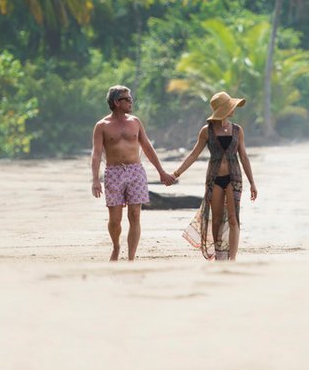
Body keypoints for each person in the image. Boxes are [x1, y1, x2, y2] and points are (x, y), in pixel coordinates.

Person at [91, 85, 175, 261]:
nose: (131, 102)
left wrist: (161, 171)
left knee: (135, 215)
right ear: (116, 102)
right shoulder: (102, 126)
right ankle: (115, 246)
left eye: (131, 99)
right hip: (113, 172)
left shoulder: (135, 122)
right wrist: (95, 179)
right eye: (127, 99)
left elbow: (147, 147)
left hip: (136, 171)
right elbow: (97, 153)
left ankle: (131, 257)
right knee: (115, 219)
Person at [172, 91, 258, 260]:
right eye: (230, 106)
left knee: (234, 219)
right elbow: (193, 154)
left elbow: (244, 157)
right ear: (223, 109)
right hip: (214, 179)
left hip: (234, 178)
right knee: (217, 219)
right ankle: (220, 256)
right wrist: (176, 173)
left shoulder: (237, 130)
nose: (233, 109)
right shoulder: (207, 131)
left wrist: (252, 183)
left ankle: (232, 259)